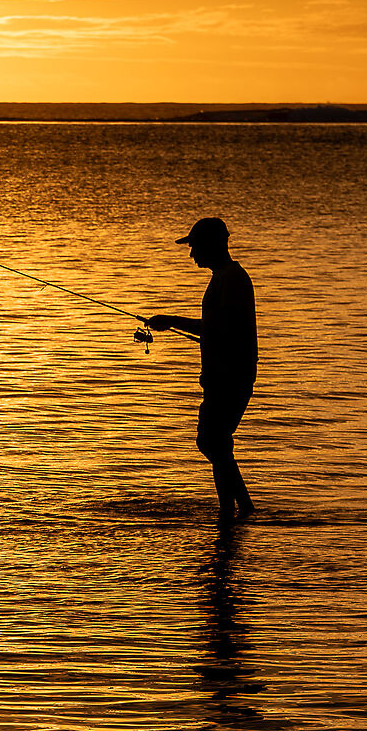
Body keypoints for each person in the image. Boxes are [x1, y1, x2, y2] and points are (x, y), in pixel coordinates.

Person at [146, 217, 257, 521]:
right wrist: (172, 323)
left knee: (212, 440)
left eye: (194, 246)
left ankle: (236, 511)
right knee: (214, 441)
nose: (192, 254)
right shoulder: (223, 276)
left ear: (212, 245)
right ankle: (238, 511)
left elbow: (217, 329)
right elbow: (215, 329)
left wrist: (170, 320)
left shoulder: (230, 279)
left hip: (230, 377)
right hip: (223, 376)